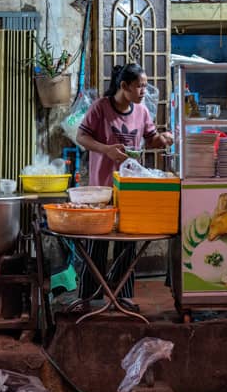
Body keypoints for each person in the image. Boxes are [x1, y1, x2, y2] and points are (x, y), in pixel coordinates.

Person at [74, 63, 174, 313]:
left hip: (131, 188)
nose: (144, 90)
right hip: (103, 187)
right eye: (139, 85)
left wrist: (163, 139)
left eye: (145, 85)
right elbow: (81, 137)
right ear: (124, 86)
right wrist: (106, 149)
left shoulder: (141, 111)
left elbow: (151, 140)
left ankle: (122, 295)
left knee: (126, 241)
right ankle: (89, 294)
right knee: (96, 241)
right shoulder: (101, 108)